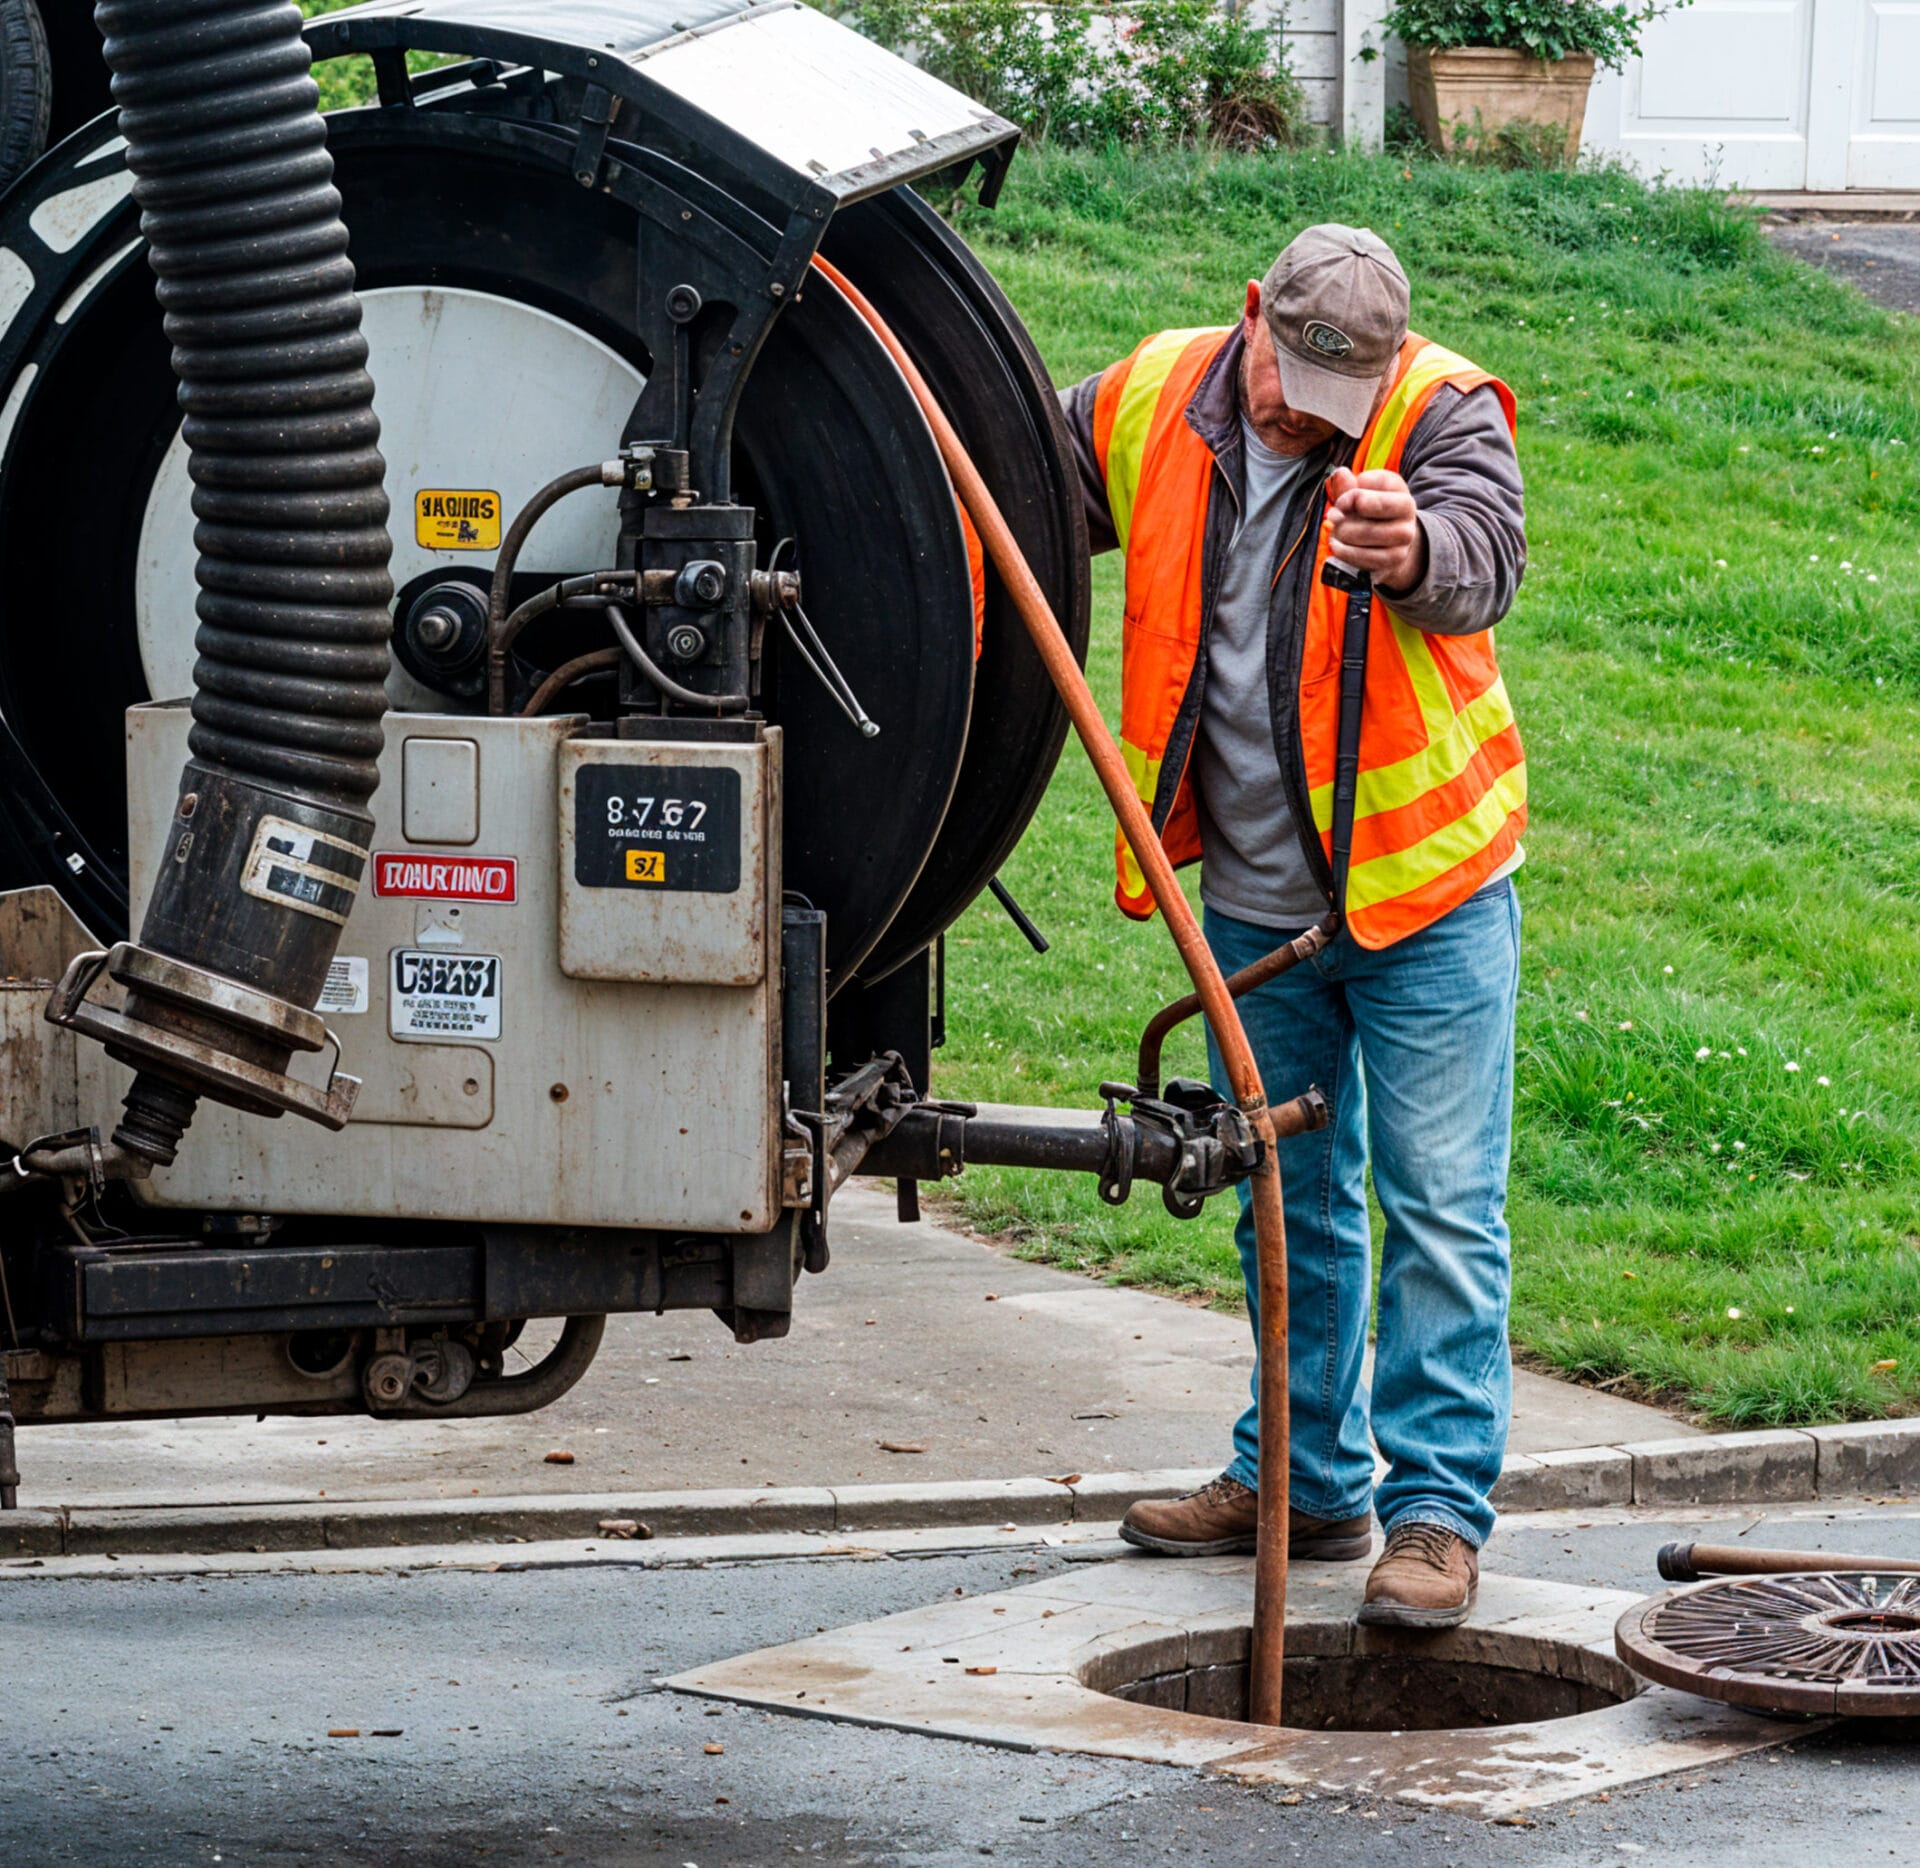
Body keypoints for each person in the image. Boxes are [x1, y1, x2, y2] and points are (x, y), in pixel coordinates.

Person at [1058, 224, 1527, 1628]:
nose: (1300, 417)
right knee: (1287, 1200)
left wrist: (1415, 547)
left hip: (1425, 893)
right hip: (1258, 905)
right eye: (1285, 380)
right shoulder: (1151, 394)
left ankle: (1435, 1516)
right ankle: (1305, 1482)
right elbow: (1013, 481)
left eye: (1337, 399)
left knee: (1441, 1210)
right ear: (1252, 311)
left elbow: (1485, 553)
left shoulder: (1435, 408)